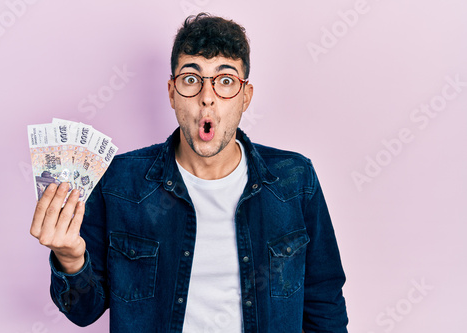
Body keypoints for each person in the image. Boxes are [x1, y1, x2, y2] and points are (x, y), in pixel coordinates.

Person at [30, 13, 348, 332]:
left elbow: (324, 304)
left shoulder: (295, 180)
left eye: (225, 81)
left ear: (245, 97)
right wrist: (70, 258)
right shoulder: (118, 184)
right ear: (171, 92)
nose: (206, 97)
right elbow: (83, 311)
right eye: (191, 79)